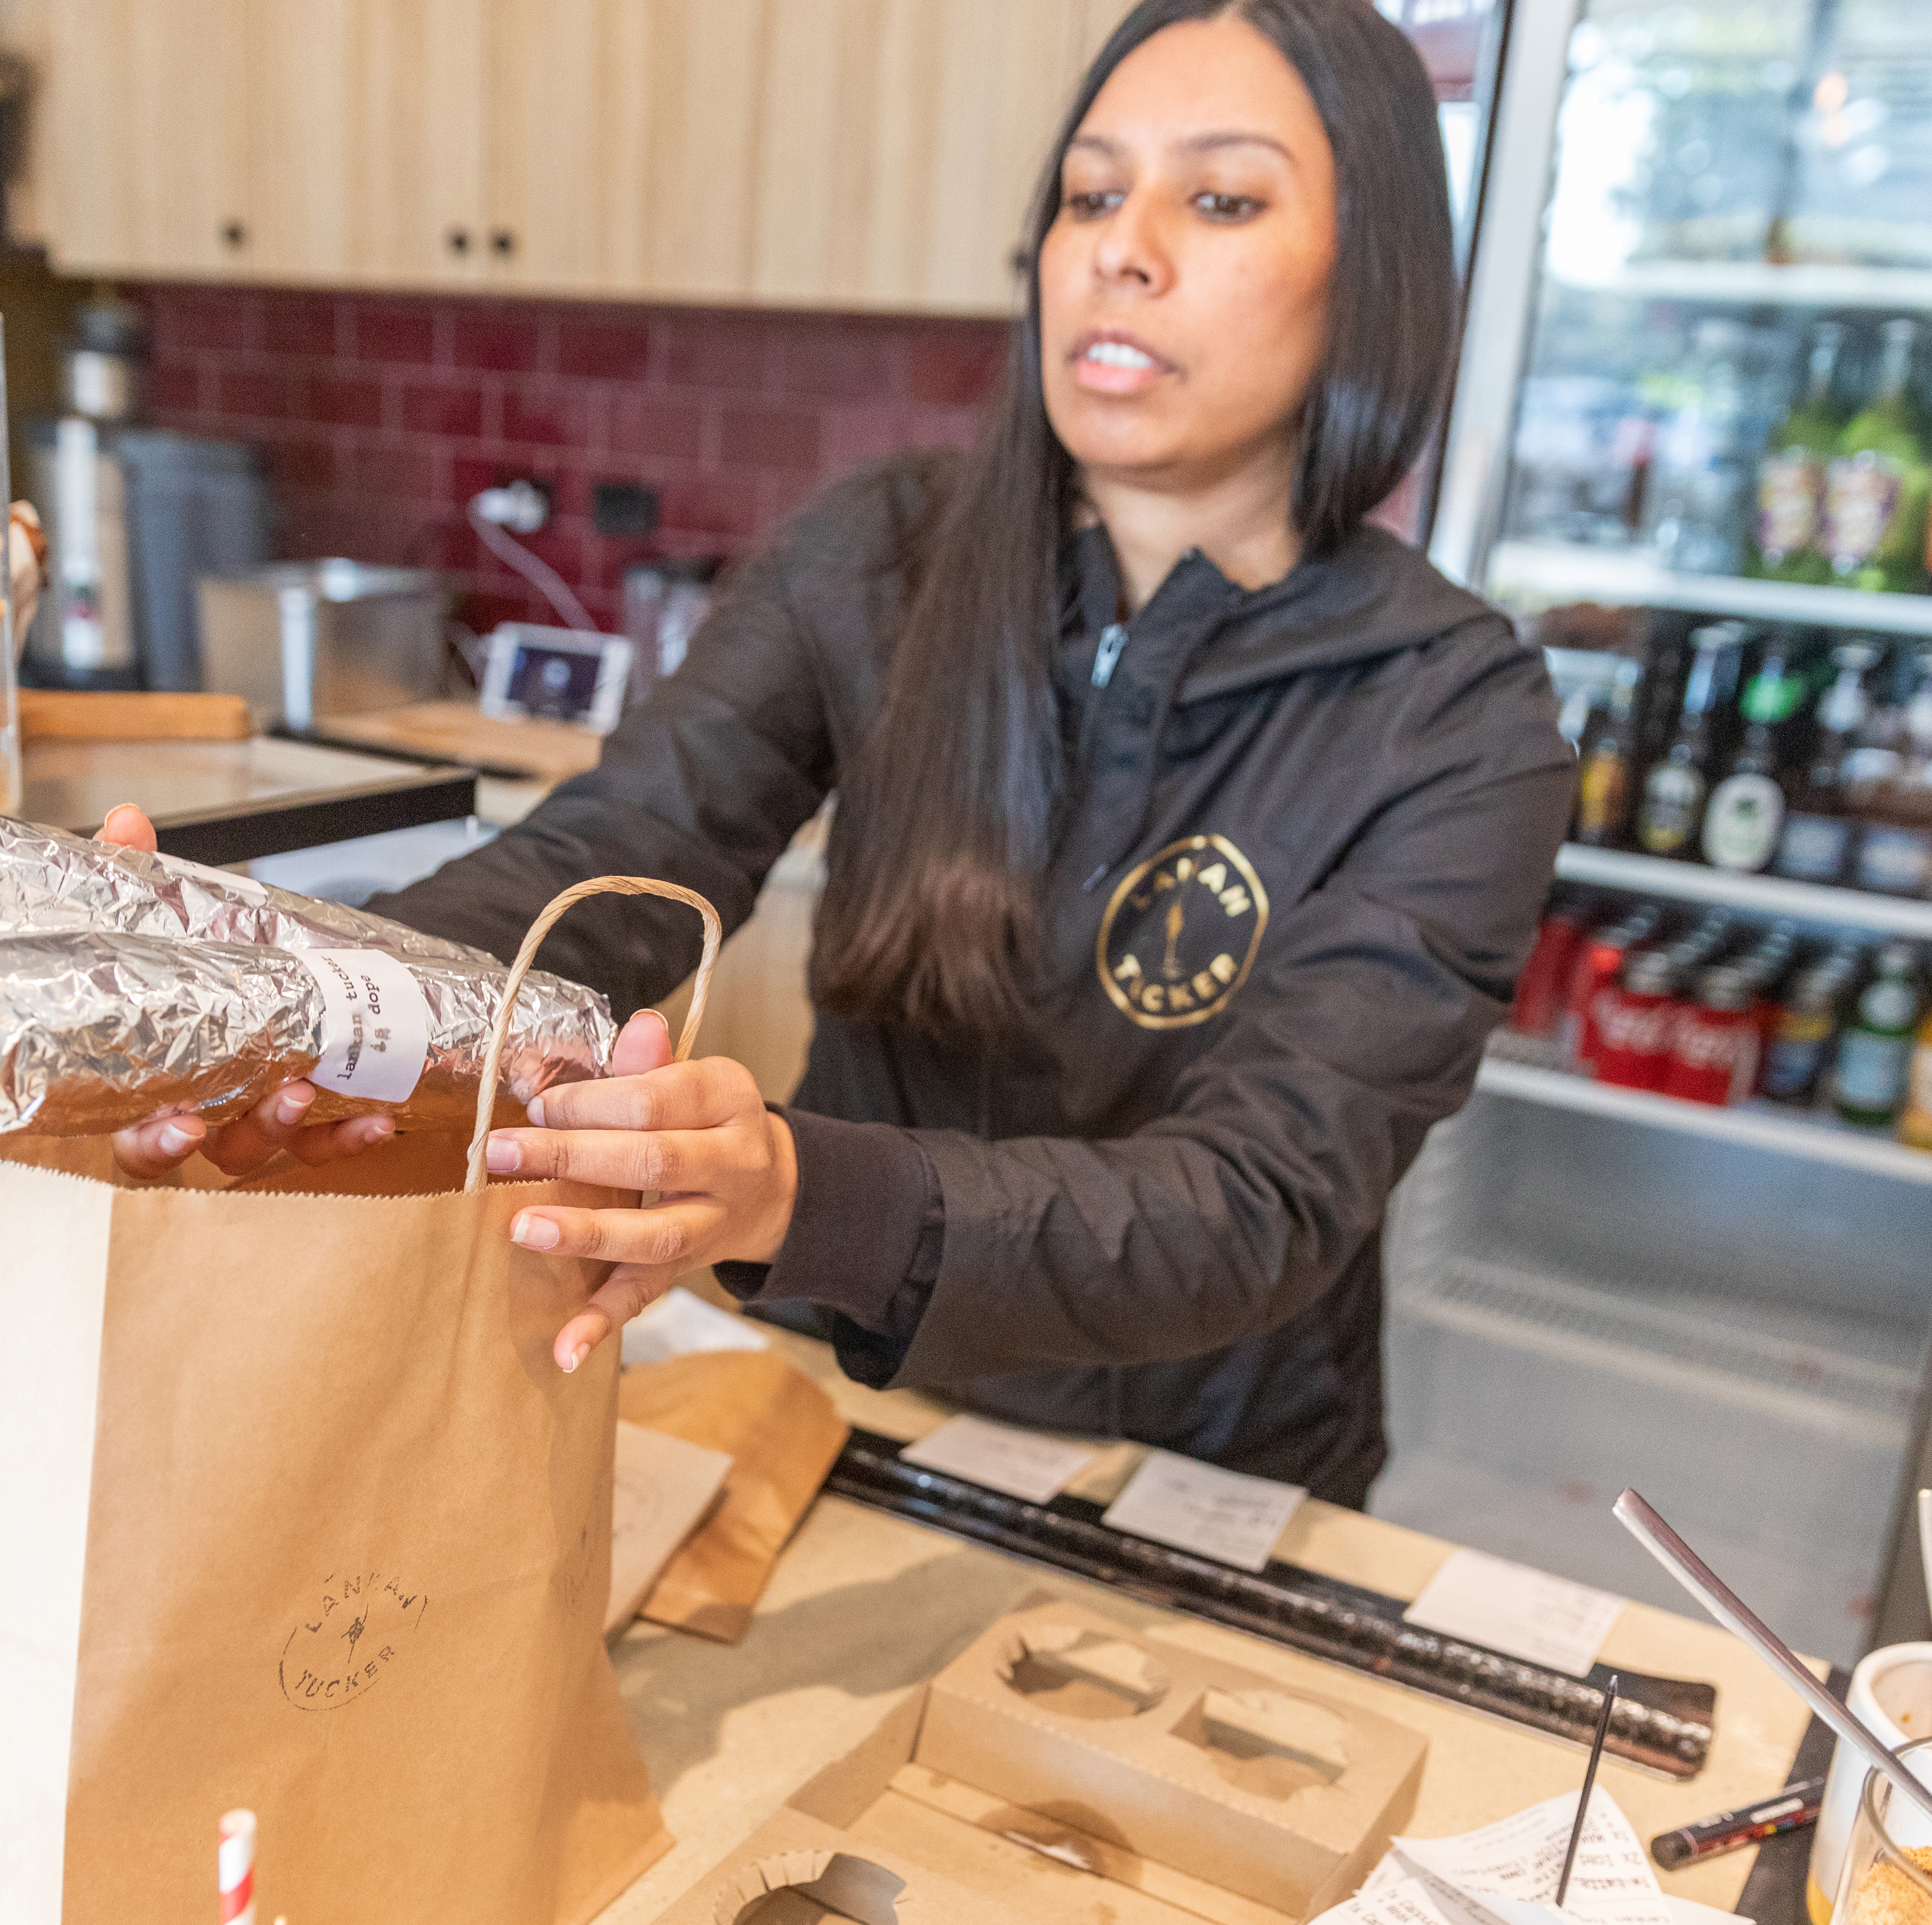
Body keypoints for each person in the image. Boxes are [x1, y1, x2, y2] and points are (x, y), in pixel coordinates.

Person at [100, 0, 1568, 1508]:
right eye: (1088, 192)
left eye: (1220, 198)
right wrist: (289, 985)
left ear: (1371, 276)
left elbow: (1259, 1199)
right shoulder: (885, 552)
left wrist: (799, 1191)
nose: (1122, 249)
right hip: (833, 1395)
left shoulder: (1457, 718)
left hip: (1201, 1469)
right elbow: (609, 865)